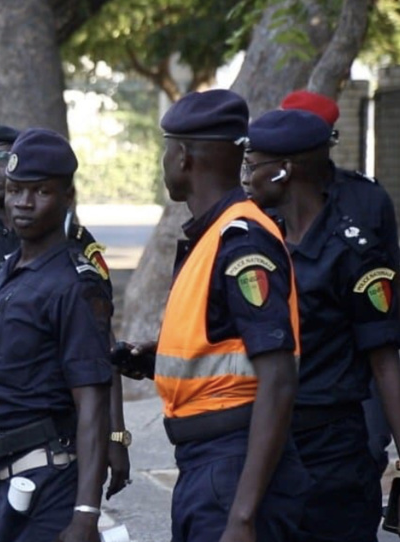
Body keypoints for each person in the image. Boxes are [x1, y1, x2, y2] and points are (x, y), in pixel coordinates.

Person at [115, 90, 308, 541]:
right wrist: (155, 360)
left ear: (182, 158)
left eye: (166, 150)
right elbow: (225, 347)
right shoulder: (214, 234)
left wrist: (242, 516)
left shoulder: (241, 242)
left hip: (232, 467)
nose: (163, 162)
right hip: (208, 465)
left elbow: (278, 377)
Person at [0, 128, 113, 542]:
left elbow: (92, 402)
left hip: (50, 484)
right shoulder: (7, 272)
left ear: (67, 197)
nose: (23, 203)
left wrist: (86, 515)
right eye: (16, 190)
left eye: (40, 192)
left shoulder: (74, 285)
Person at [243, 109, 400, 542]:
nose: (247, 177)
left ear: (283, 171)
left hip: (331, 454)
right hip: (266, 445)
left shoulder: (354, 253)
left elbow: (385, 363)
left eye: (253, 165)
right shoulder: (258, 241)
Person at [281, 89, 400, 474]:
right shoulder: (262, 198)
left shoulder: (366, 198)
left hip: (357, 358)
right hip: (285, 361)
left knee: (363, 452)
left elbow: (386, 284)